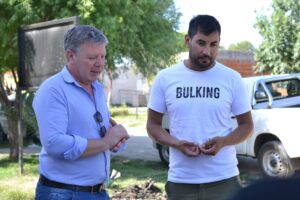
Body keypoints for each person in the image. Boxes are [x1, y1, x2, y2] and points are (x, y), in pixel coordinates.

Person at [146, 15, 253, 200]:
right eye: (201, 43)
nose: (207, 51)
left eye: (214, 45)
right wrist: (176, 144)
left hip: (224, 179)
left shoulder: (232, 78)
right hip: (181, 181)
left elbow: (247, 126)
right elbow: (152, 125)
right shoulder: (165, 78)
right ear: (188, 40)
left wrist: (224, 142)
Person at [33, 25, 129, 200]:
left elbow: (98, 131)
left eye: (102, 56)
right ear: (71, 56)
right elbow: (54, 143)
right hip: (64, 194)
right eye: (92, 57)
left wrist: (117, 137)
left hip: (98, 192)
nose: (100, 63)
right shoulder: (53, 90)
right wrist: (106, 142)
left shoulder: (98, 89)